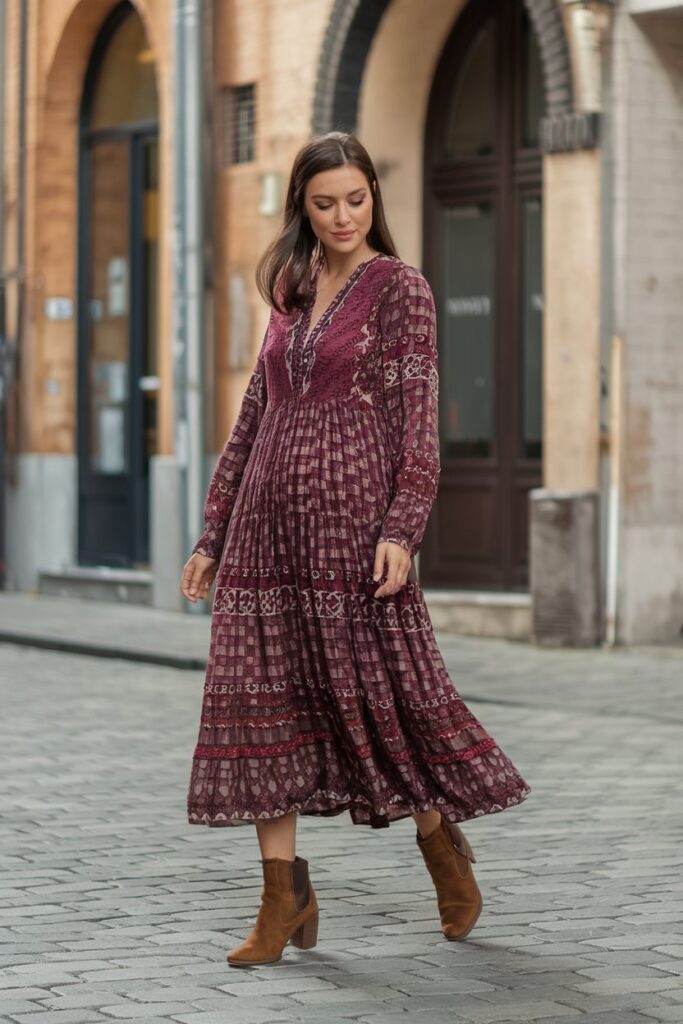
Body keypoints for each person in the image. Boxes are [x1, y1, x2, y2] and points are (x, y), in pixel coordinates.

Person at [180, 131, 531, 968]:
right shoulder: (292, 287)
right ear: (301, 207)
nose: (341, 216)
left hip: (354, 532)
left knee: (384, 701)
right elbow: (251, 420)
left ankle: (442, 849)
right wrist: (212, 535)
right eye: (323, 202)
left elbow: (420, 426)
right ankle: (282, 899)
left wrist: (401, 530)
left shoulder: (401, 290)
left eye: (355, 199)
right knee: (262, 703)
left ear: (374, 195)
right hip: (266, 530)